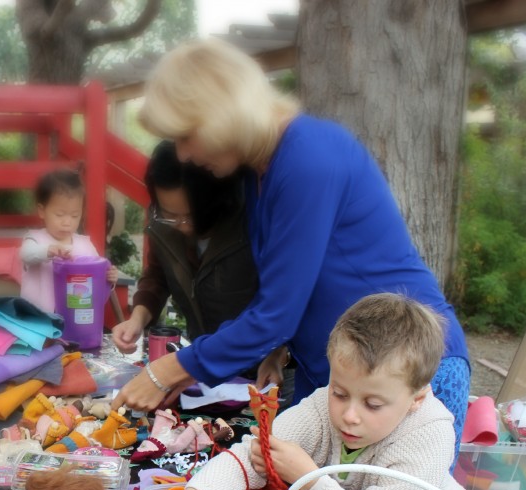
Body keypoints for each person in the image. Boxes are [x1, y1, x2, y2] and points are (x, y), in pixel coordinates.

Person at [112, 39, 471, 461]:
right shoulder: (260, 172)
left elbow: (275, 314)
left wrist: (167, 369)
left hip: (407, 375)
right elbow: (296, 283)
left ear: (222, 116)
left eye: (186, 137)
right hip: (344, 380)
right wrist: (277, 350)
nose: (185, 156)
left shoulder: (309, 157)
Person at [136, 294, 480, 490]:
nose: (350, 415)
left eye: (373, 404)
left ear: (416, 399)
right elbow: (248, 458)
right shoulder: (322, 403)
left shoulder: (430, 434)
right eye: (340, 393)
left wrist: (306, 477)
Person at [111, 141, 270, 376]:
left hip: (261, 368)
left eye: (191, 216)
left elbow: (279, 300)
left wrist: (279, 354)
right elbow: (158, 275)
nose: (182, 226)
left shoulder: (251, 223)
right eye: (170, 215)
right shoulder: (162, 227)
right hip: (202, 364)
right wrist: (137, 319)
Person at [19, 169, 118, 313]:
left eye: (74, 216)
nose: (67, 222)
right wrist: (48, 250)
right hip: (37, 318)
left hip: (73, 318)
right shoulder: (36, 239)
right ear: (42, 211)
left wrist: (109, 278)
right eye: (59, 214)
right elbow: (25, 254)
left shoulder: (85, 245)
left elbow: (97, 275)